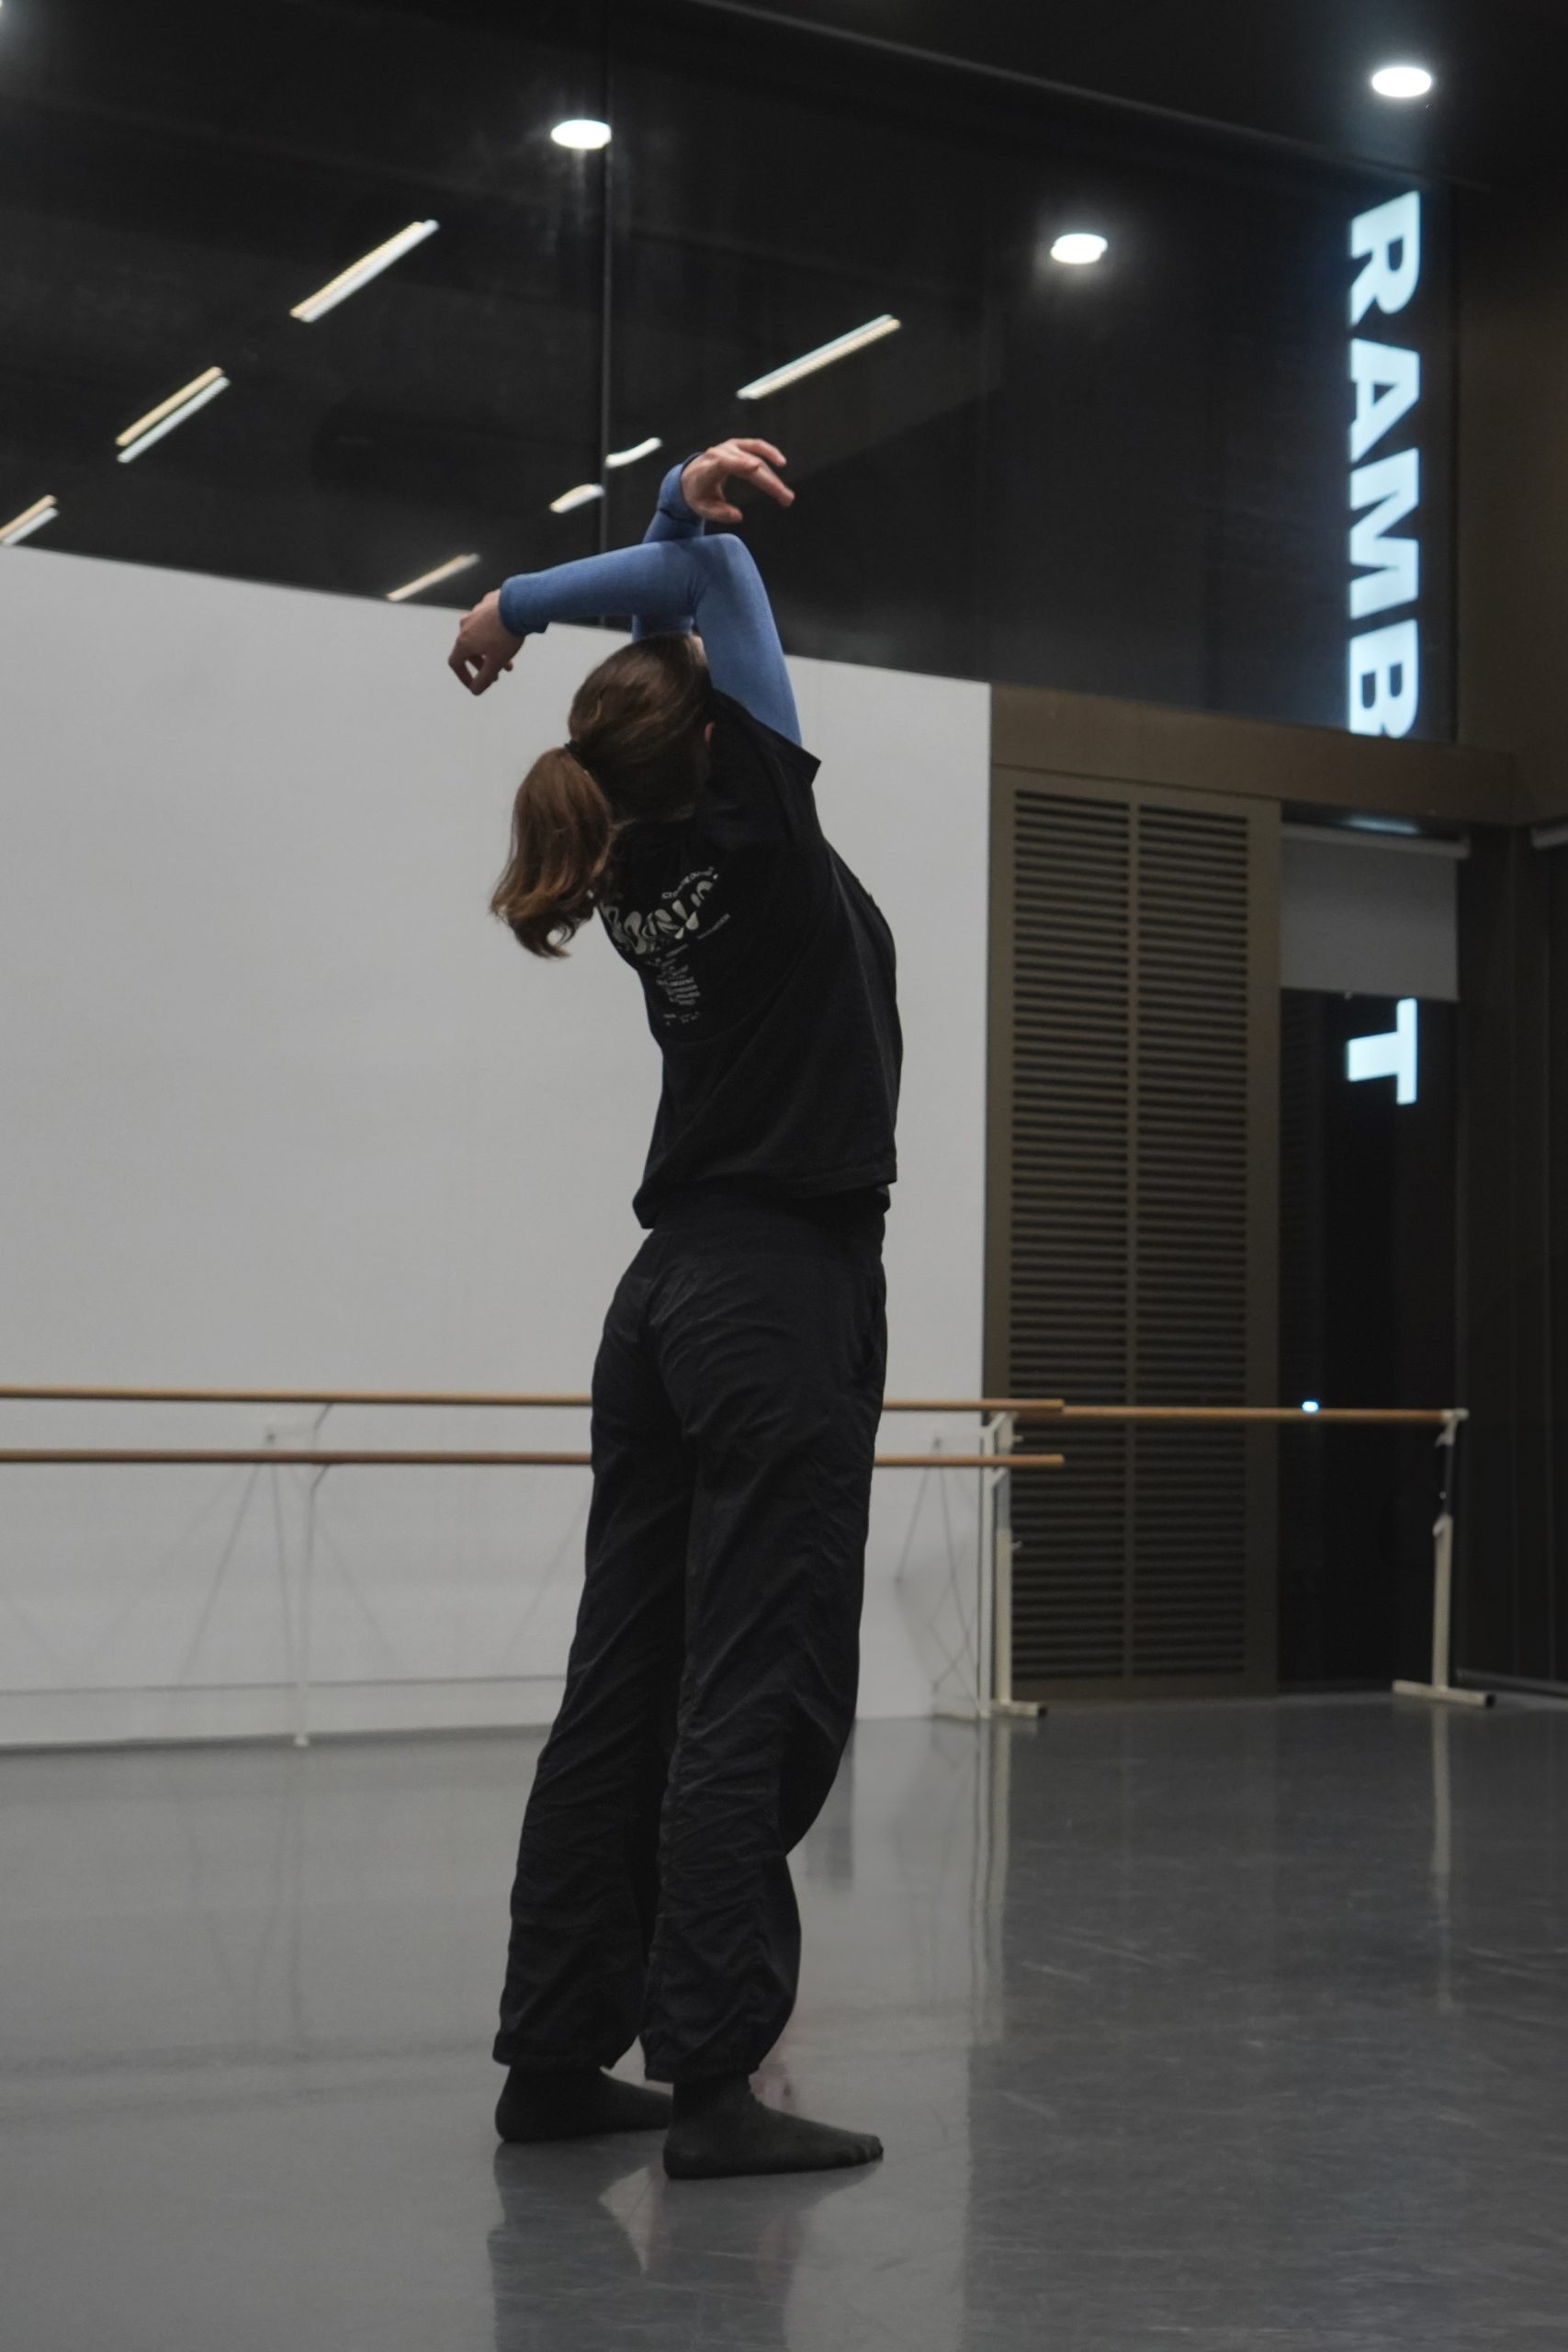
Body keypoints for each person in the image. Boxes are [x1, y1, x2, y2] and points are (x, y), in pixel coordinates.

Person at [448, 439, 900, 2179]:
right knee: (751, 1684)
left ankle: (559, 2053)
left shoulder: (641, 848)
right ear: (721, 736)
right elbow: (694, 598)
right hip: (778, 1290)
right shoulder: (762, 818)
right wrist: (514, 600)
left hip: (661, 1303)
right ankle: (717, 2075)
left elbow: (681, 601)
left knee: (624, 1679)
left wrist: (655, 530)